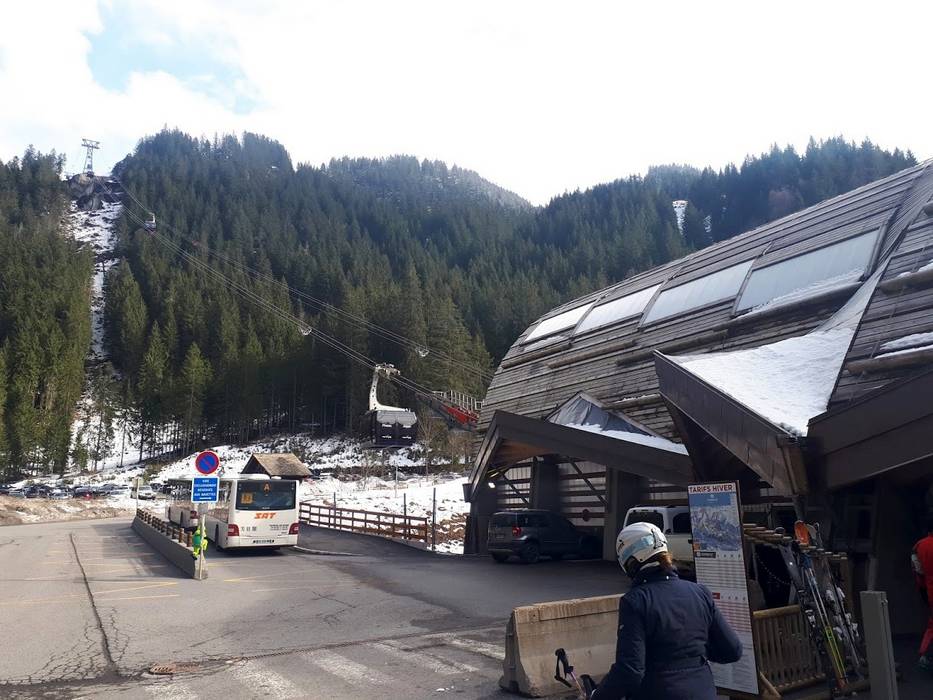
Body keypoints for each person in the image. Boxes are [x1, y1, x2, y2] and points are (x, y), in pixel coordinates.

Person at [592, 522, 743, 700]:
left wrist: (597, 696)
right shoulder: (700, 592)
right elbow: (732, 650)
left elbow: (630, 670)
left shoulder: (635, 601)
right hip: (703, 690)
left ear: (630, 562)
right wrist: (695, 656)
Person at [912, 513, 933, 672]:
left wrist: (923, 590)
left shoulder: (919, 546)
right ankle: (926, 655)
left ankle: (925, 654)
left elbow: (918, 571)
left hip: (929, 589)